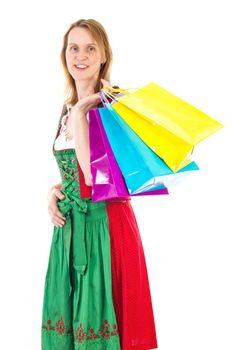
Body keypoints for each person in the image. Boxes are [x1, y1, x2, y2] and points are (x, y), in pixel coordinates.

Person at [41, 18, 158, 350]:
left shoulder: (114, 106)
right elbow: (73, 175)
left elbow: (94, 178)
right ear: (64, 54)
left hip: (106, 229)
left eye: (91, 48)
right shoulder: (66, 108)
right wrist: (54, 191)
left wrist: (81, 112)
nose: (81, 55)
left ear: (104, 54)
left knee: (107, 329)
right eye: (74, 47)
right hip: (71, 230)